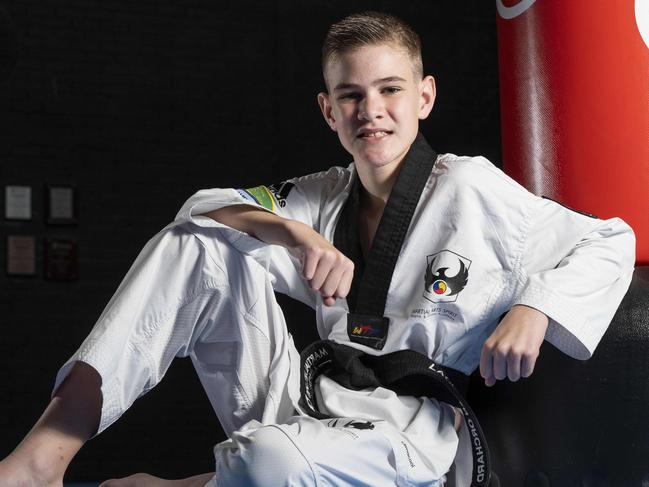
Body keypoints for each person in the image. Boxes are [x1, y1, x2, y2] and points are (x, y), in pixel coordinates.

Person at [0, 11, 635, 487]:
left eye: (390, 90)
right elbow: (199, 208)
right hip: (310, 401)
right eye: (351, 96)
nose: (372, 111)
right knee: (195, 245)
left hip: (408, 438)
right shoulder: (322, 196)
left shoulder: (471, 189)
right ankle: (43, 457)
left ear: (425, 97)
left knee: (267, 460)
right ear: (328, 110)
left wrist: (536, 308)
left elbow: (611, 237)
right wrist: (292, 231)